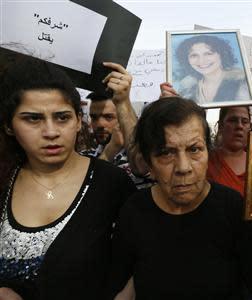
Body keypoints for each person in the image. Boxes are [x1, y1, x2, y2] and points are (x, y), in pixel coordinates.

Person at [106, 97, 252, 299]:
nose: (183, 167)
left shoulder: (231, 206)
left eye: (194, 150)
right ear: (149, 164)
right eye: (166, 153)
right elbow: (120, 285)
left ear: (208, 151)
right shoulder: (134, 211)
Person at [0, 58, 136, 300]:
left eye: (62, 117)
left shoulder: (111, 183)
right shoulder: (4, 180)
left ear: (77, 120)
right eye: (33, 119)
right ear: (9, 126)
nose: (51, 132)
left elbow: (143, 261)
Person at [80, 63, 153, 189]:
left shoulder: (145, 152)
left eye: (109, 117)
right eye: (94, 117)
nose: (100, 124)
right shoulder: (84, 157)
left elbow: (141, 167)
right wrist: (109, 151)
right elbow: (84, 191)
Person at [175, 35, 250, 104]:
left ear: (222, 54)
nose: (201, 61)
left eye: (208, 54)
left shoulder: (242, 80)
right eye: (194, 55)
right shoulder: (186, 86)